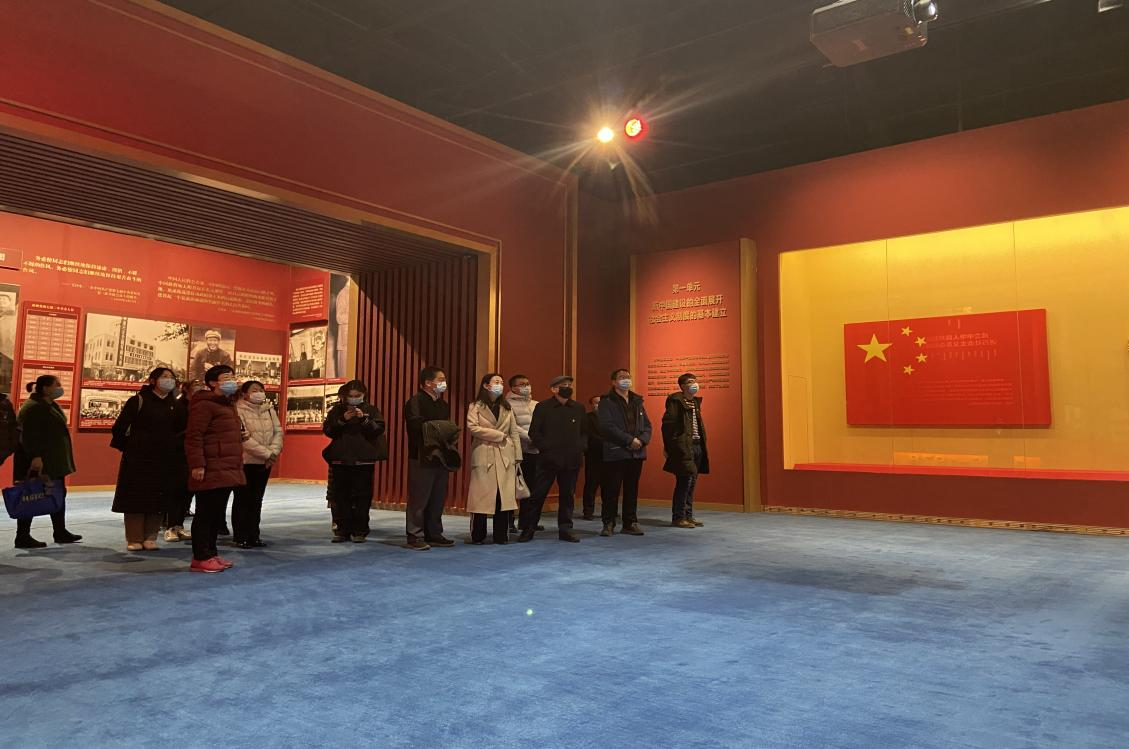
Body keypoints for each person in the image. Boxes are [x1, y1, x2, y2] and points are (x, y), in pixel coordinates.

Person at [110, 367, 188, 551]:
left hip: (165, 458)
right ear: (153, 380)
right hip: (138, 458)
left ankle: (150, 537)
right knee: (135, 497)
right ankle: (134, 537)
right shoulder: (138, 400)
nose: (169, 380)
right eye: (164, 377)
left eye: (172, 377)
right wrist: (129, 447)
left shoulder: (175, 404)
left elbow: (181, 430)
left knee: (159, 497)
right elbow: (119, 427)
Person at [185, 365, 245, 573]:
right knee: (205, 513)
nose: (232, 381)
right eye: (226, 377)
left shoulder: (227, 403)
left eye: (233, 377)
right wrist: (198, 464)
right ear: (212, 382)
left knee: (215, 514)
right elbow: (194, 436)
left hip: (226, 465)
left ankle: (211, 553)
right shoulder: (204, 404)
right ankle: (200, 557)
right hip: (210, 465)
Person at [13, 375, 82, 549]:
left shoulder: (49, 405)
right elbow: (29, 436)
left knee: (57, 493)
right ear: (45, 388)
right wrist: (36, 457)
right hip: (40, 460)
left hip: (53, 460)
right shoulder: (33, 407)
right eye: (56, 385)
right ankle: (22, 536)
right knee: (29, 495)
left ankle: (60, 531)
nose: (60, 388)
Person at [519, 376, 586, 543]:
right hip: (547, 459)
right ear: (554, 389)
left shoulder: (578, 408)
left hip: (571, 459)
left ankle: (566, 528)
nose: (567, 387)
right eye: (563, 385)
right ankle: (529, 528)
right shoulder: (543, 407)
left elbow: (584, 432)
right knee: (538, 495)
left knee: (568, 496)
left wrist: (580, 447)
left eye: (569, 385)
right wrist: (546, 449)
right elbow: (534, 432)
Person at [322, 379, 387, 543]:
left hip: (363, 460)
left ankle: (360, 530)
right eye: (350, 395)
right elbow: (328, 430)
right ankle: (342, 530)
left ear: (363, 395)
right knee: (340, 496)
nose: (353, 398)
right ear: (345, 396)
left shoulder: (371, 410)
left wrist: (364, 420)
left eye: (357, 395)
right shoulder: (337, 410)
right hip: (341, 460)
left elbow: (378, 430)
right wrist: (342, 420)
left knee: (362, 497)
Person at [465, 373, 522, 545]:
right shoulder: (476, 406)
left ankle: (501, 535)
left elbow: (514, 432)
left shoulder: (506, 407)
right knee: (481, 497)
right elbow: (472, 427)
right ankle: (478, 535)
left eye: (501, 382)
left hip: (505, 454)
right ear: (486, 385)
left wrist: (517, 455)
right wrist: (498, 435)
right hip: (484, 453)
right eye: (496, 382)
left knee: (503, 497)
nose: (500, 385)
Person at [404, 366, 455, 551]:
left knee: (437, 496)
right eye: (440, 379)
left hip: (440, 455)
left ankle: (434, 533)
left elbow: (447, 428)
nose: (444, 383)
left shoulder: (443, 404)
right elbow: (416, 426)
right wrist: (439, 428)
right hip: (421, 454)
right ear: (427, 382)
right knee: (419, 497)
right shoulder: (415, 401)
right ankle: (415, 535)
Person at [597, 368, 651, 537]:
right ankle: (609, 523)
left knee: (632, 489)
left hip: (636, 453)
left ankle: (630, 522)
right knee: (611, 490)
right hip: (616, 452)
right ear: (613, 382)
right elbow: (607, 427)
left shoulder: (637, 401)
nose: (626, 379)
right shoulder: (606, 401)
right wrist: (629, 440)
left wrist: (641, 440)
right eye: (621, 377)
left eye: (628, 377)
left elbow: (647, 425)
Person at [233, 380, 284, 548]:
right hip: (245, 461)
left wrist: (273, 452)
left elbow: (278, 432)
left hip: (265, 462)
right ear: (244, 394)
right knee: (243, 499)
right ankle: (241, 536)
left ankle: (254, 534)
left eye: (261, 389)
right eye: (255, 390)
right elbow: (243, 438)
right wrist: (267, 454)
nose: (259, 392)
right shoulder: (237, 410)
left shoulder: (269, 409)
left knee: (257, 500)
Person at [662, 373, 710, 529]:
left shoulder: (695, 402)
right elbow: (668, 426)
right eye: (690, 382)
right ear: (682, 386)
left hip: (697, 445)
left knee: (692, 482)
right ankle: (678, 517)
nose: (694, 384)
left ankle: (688, 515)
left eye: (695, 381)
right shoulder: (676, 401)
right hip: (684, 446)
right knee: (684, 482)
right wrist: (669, 446)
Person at [505, 373, 538, 534]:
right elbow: (511, 426)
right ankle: (509, 521)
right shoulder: (506, 404)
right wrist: (529, 436)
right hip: (516, 450)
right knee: (512, 487)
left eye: (528, 383)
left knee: (530, 487)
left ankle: (526, 521)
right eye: (522, 384)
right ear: (513, 387)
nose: (526, 386)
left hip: (535, 451)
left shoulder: (536, 404)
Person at [581, 394, 604, 521]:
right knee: (591, 484)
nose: (598, 405)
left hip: (610, 456)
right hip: (593, 455)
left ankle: (609, 510)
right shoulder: (587, 418)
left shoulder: (611, 418)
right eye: (596, 403)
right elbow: (586, 434)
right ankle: (588, 511)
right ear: (591, 405)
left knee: (609, 485)